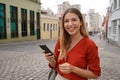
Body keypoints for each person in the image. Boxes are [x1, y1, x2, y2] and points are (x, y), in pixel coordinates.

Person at [43, 8, 101, 80]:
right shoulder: (61, 41)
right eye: (66, 21)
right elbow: (55, 65)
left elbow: (95, 74)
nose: (70, 24)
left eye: (74, 20)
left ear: (81, 22)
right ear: (63, 24)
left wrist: (73, 69)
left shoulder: (90, 45)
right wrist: (51, 60)